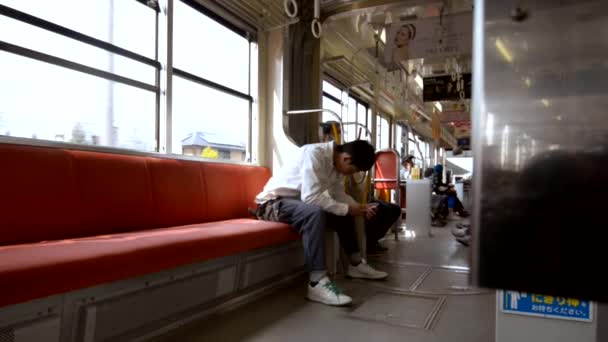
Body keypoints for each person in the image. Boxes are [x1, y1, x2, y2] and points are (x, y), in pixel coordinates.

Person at [255, 140, 388, 306]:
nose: (349, 174)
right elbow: (310, 197)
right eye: (352, 170)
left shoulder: (337, 166)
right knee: (316, 212)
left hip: (297, 205)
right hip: (272, 205)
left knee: (343, 211)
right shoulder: (314, 154)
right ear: (346, 159)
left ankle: (355, 265)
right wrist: (348, 209)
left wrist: (358, 207)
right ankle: (316, 282)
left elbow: (338, 196)